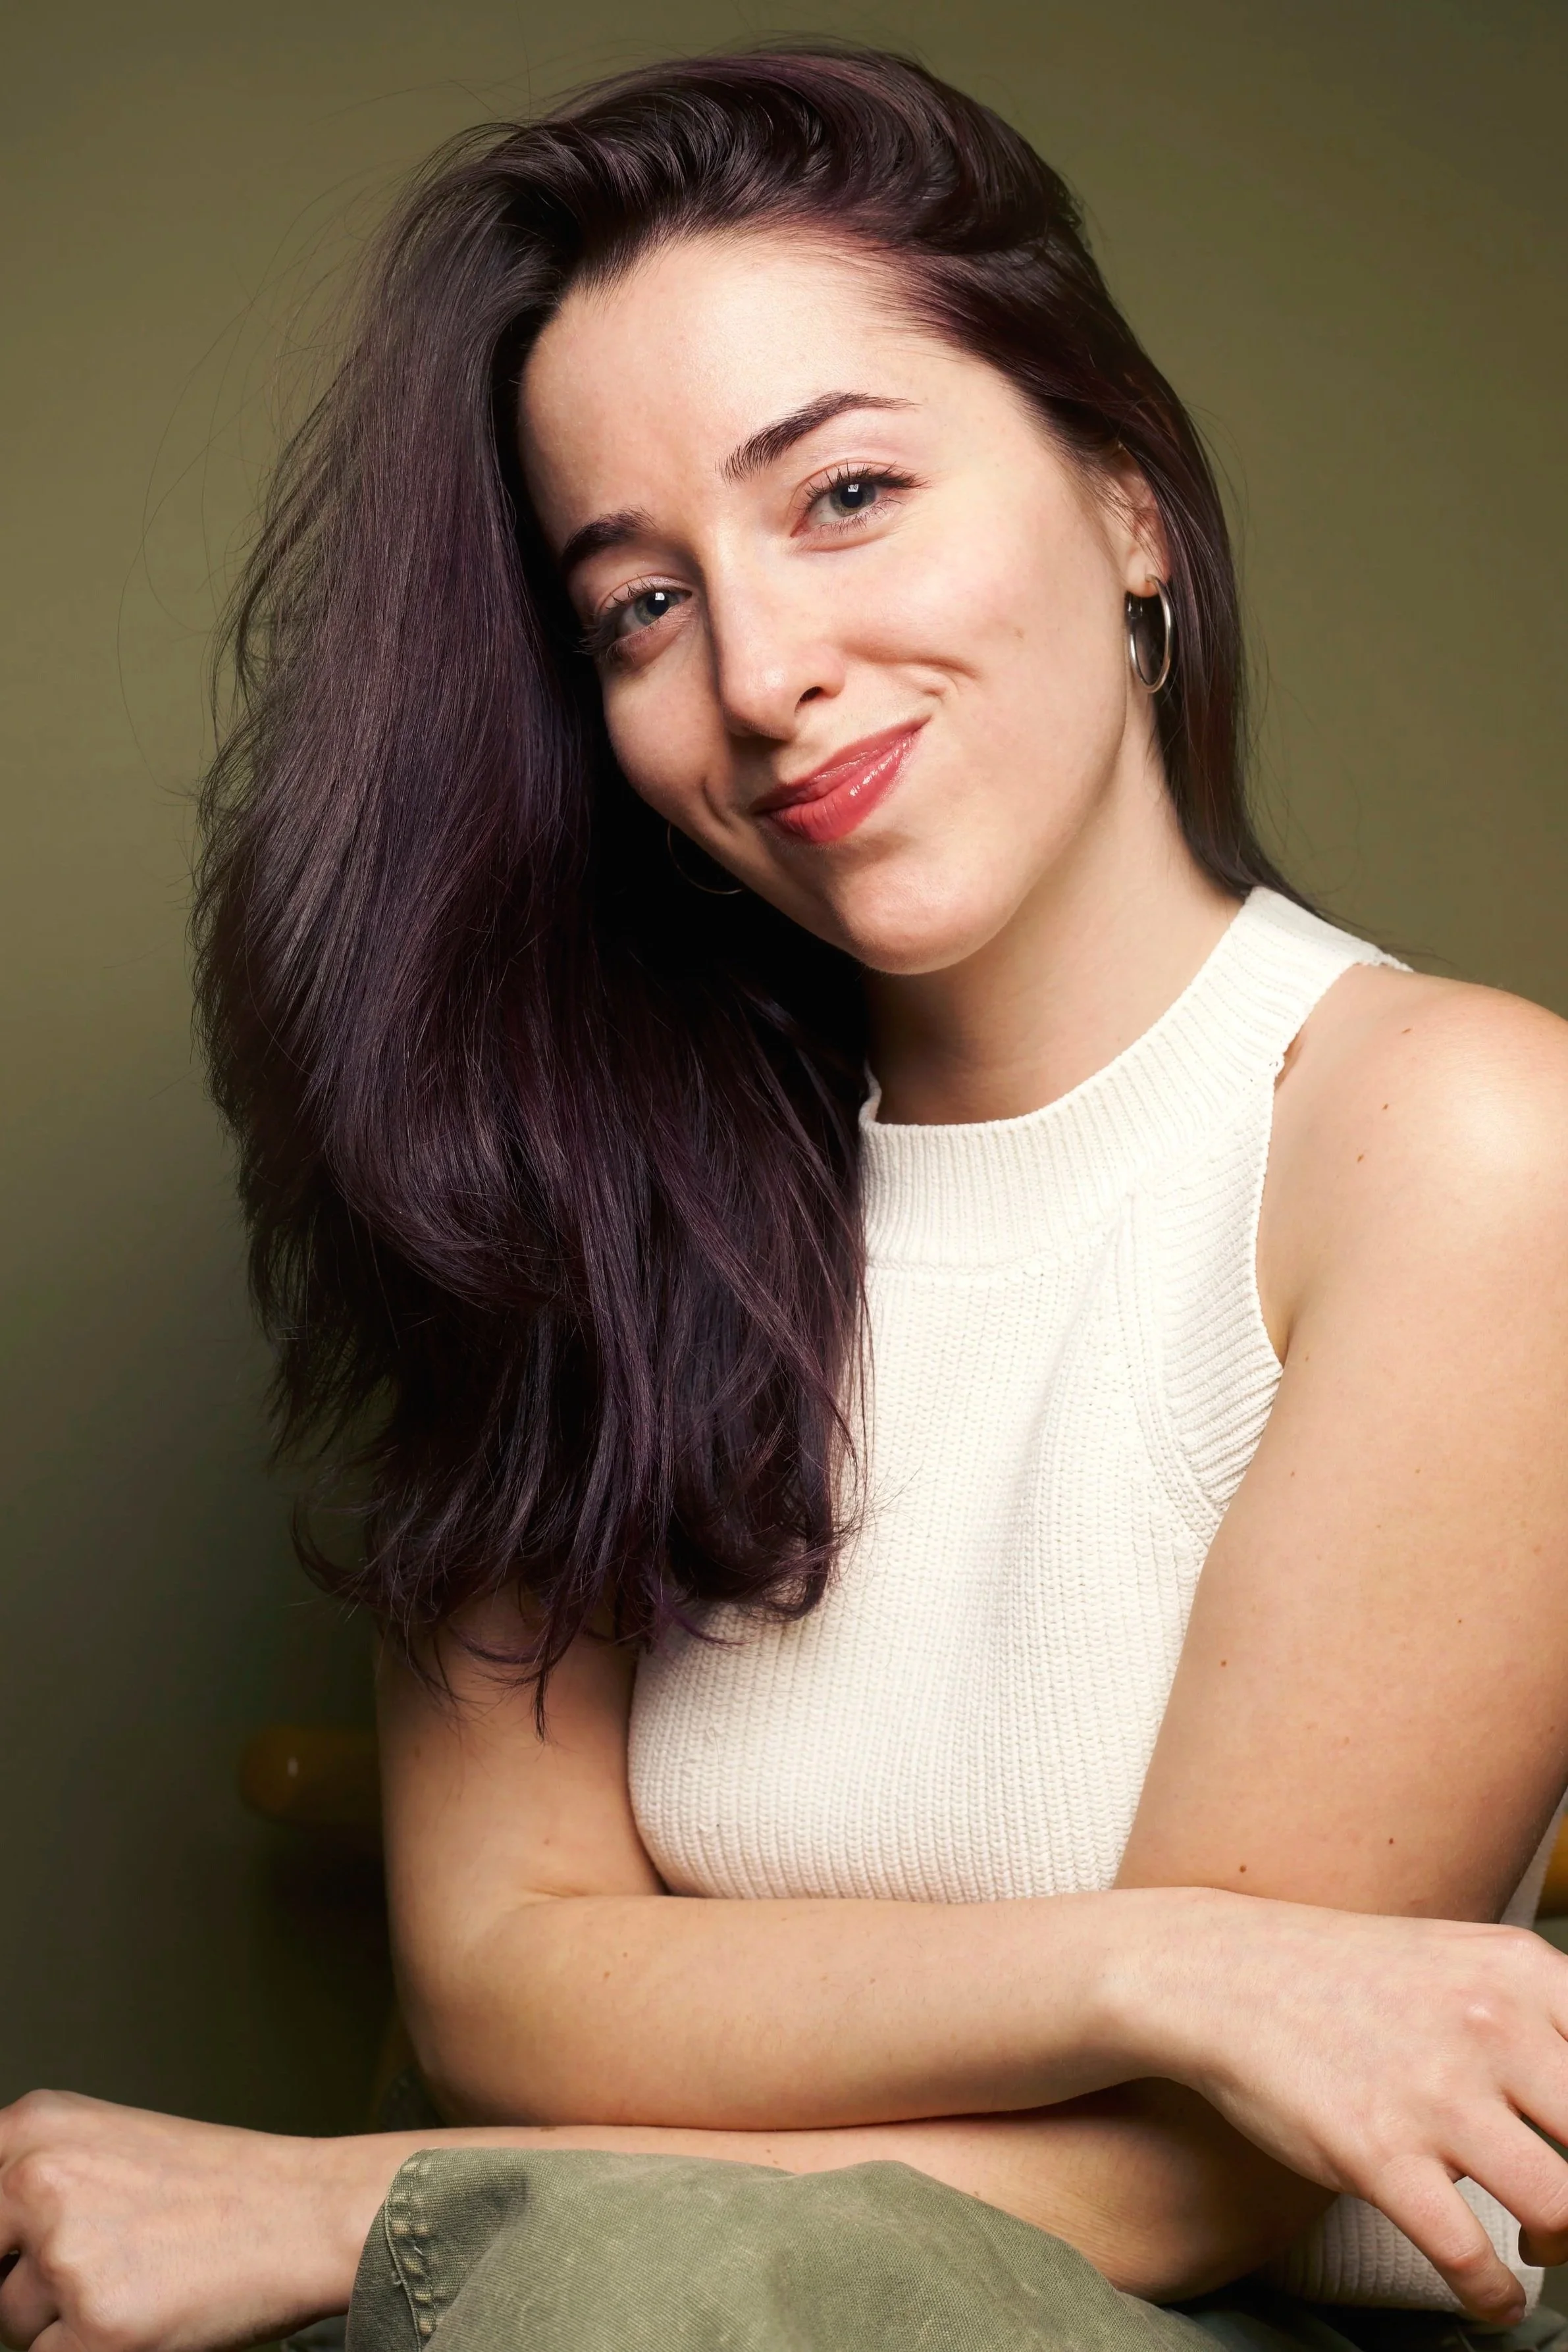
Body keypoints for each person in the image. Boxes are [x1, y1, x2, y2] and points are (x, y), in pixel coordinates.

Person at [4, 43, 1568, 2352]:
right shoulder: (565, 1173)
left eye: (843, 493)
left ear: (1126, 499)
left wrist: (359, 2214)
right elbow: (506, 1973)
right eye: (639, 605)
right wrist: (1154, 1959)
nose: (759, 673)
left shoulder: (1455, 1138)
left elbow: (1204, 2173)